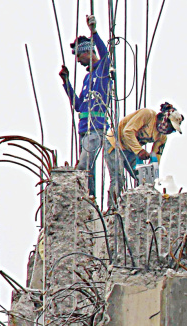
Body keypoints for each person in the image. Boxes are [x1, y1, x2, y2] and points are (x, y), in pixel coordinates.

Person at [59, 14, 111, 196]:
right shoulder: (87, 78)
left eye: (79, 57)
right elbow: (78, 106)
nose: (79, 62)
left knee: (83, 166)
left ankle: (84, 198)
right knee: (89, 171)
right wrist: (67, 83)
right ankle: (90, 199)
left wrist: (94, 32)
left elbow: (105, 54)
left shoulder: (103, 70)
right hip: (84, 129)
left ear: (88, 53)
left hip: (96, 129)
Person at [104, 102, 184, 208]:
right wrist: (139, 151)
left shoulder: (162, 137)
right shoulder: (147, 115)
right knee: (118, 178)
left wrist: (152, 174)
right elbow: (127, 131)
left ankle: (138, 208)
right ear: (165, 120)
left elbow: (156, 156)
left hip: (130, 150)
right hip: (115, 143)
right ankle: (112, 209)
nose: (169, 130)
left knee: (142, 179)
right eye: (170, 127)